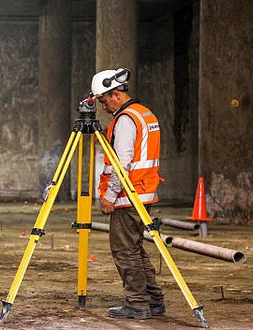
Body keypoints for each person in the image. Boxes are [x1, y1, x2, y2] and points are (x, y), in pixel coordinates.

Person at [91, 68, 165, 320]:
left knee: (125, 251)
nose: (102, 106)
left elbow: (121, 162)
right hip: (144, 192)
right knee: (135, 248)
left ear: (115, 93)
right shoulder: (144, 113)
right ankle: (153, 300)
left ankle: (137, 303)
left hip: (128, 194)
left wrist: (109, 195)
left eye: (103, 100)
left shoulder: (125, 119)